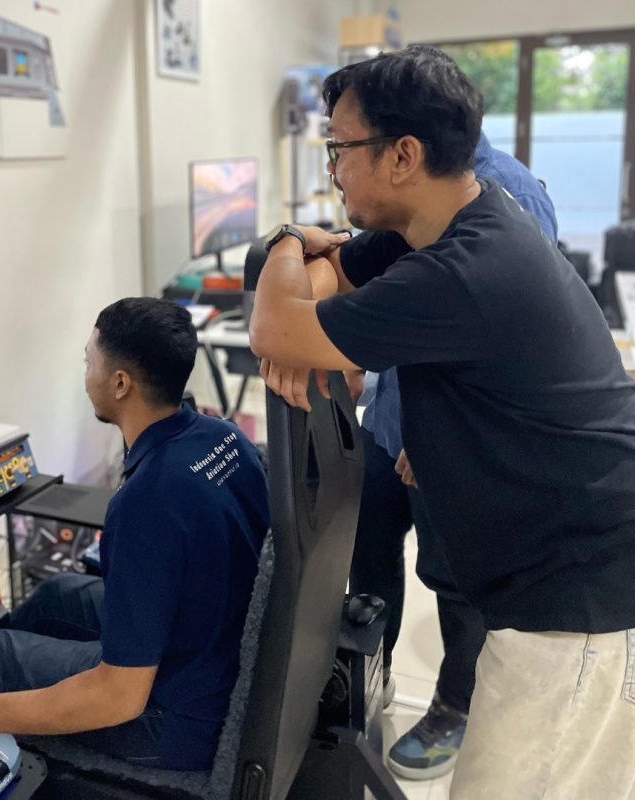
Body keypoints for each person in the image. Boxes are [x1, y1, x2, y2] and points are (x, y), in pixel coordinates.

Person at [249, 45, 635, 798]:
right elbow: (330, 279)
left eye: (340, 148)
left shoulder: (466, 266)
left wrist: (286, 241)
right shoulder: (435, 226)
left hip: (576, 598)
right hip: (549, 572)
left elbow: (273, 325)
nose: (332, 169)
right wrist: (305, 314)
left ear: (403, 155)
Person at [0, 297, 269, 773]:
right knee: (56, 596)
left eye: (89, 362)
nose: (86, 376)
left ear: (120, 383)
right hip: (214, 648)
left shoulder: (147, 501)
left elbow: (120, 697)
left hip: (175, 723)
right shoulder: (227, 437)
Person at [344, 126, 558, 781]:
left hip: (450, 436)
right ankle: (369, 677)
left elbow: (516, 342)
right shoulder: (413, 189)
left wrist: (437, 436)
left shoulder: (509, 195)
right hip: (390, 417)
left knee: (455, 582)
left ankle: (454, 706)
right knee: (367, 555)